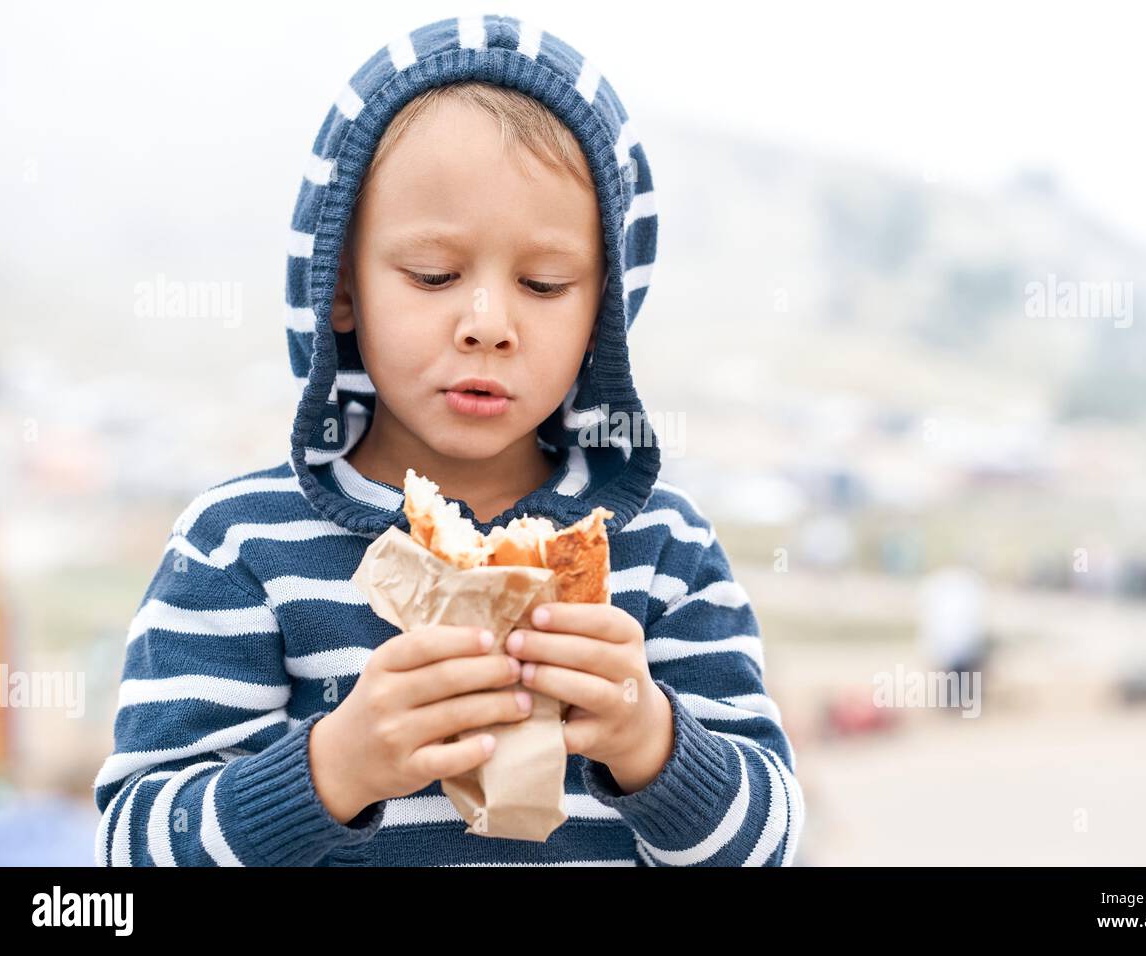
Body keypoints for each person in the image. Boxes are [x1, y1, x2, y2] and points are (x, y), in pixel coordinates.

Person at [92, 15, 802, 867]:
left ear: (601, 315)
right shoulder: (238, 546)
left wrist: (651, 741)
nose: (487, 325)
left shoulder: (662, 552)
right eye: (433, 274)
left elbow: (771, 846)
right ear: (341, 286)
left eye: (544, 284)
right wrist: (331, 769)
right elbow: (132, 853)